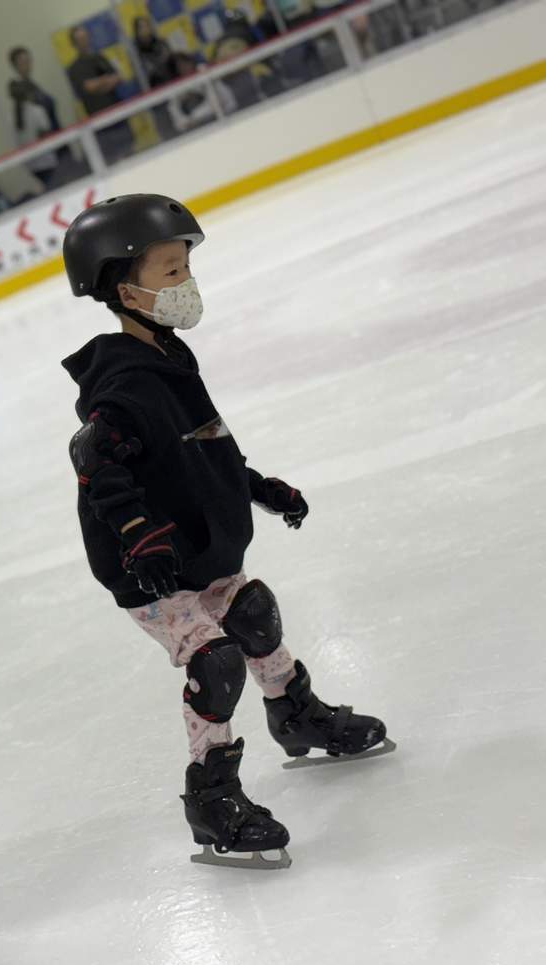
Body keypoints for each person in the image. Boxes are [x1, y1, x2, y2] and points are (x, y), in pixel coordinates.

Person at [59, 194, 394, 869]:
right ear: (119, 286)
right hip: (149, 566)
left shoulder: (169, 357)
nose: (186, 286)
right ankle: (210, 796)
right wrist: (138, 534)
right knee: (213, 662)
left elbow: (206, 441)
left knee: (252, 617)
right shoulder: (121, 379)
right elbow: (93, 459)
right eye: (170, 274)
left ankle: (295, 713)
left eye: (186, 269)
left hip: (198, 539)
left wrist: (258, 486)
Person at [65, 24, 135, 163]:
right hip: (101, 126)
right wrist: (105, 81)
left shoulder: (100, 57)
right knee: (113, 161)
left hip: (119, 117)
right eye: (79, 39)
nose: (84, 41)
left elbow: (118, 77)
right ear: (74, 44)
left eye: (85, 37)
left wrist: (100, 84)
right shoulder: (75, 68)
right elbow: (88, 87)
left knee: (131, 155)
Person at [7, 46, 64, 188]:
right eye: (22, 62)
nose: (27, 64)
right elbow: (34, 127)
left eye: (28, 60)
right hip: (44, 155)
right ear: (15, 65)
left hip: (52, 147)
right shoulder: (21, 93)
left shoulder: (32, 86)